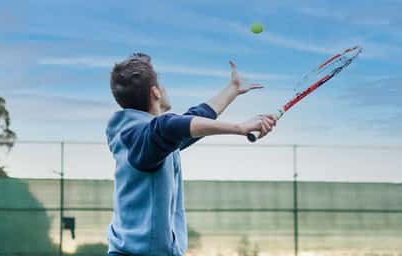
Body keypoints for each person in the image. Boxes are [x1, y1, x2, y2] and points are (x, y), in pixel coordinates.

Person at [105, 53, 276, 255]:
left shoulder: (142, 139)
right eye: (162, 84)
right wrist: (240, 127)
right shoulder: (144, 138)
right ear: (155, 92)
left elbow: (191, 121)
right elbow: (169, 126)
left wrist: (232, 90)